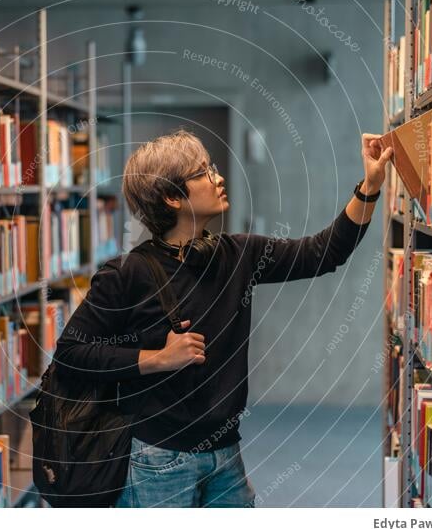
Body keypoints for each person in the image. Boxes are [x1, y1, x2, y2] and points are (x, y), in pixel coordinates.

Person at [52, 129, 393, 507]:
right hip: (157, 458)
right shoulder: (126, 274)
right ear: (172, 197)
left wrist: (370, 186)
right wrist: (155, 359)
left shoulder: (237, 254)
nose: (218, 177)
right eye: (202, 173)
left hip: (225, 451)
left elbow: (323, 253)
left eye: (212, 168)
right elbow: (70, 353)